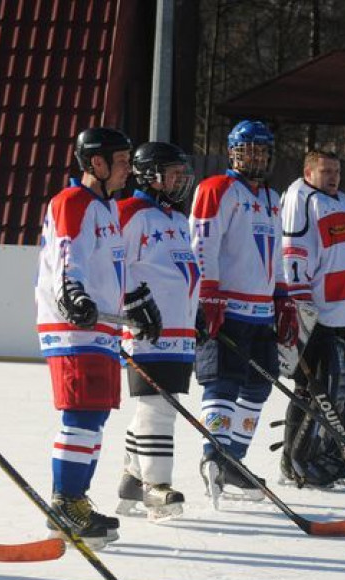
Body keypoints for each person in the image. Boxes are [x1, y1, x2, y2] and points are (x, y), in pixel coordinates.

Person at [34, 127, 162, 548]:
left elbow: (112, 267)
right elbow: (67, 257)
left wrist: (138, 300)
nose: (129, 169)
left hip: (101, 328)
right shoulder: (73, 202)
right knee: (81, 415)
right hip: (75, 327)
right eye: (121, 161)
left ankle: (77, 500)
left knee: (95, 417)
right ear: (97, 164)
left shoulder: (107, 209)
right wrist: (73, 293)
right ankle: (65, 501)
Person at [189, 120, 294, 505]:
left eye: (262, 151)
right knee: (223, 381)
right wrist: (208, 294)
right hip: (227, 306)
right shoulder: (217, 188)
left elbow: (278, 254)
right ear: (232, 152)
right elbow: (202, 242)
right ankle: (213, 455)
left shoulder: (271, 197)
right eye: (248, 150)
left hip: (261, 311)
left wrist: (282, 296)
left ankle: (234, 461)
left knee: (258, 385)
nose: (256, 157)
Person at [279, 150, 345, 487]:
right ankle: (299, 460)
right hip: (320, 315)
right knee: (322, 389)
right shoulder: (301, 199)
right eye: (326, 171)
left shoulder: (343, 200)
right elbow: (293, 252)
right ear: (308, 172)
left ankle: (334, 453)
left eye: (337, 171)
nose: (333, 177)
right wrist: (301, 306)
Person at [115, 141, 197, 522]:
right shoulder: (130, 213)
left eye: (183, 173)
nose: (181, 180)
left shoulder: (177, 220)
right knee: (158, 406)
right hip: (148, 328)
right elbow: (115, 264)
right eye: (174, 173)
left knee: (158, 404)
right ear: (149, 174)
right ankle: (156, 487)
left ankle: (132, 479)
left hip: (181, 330)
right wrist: (134, 306)